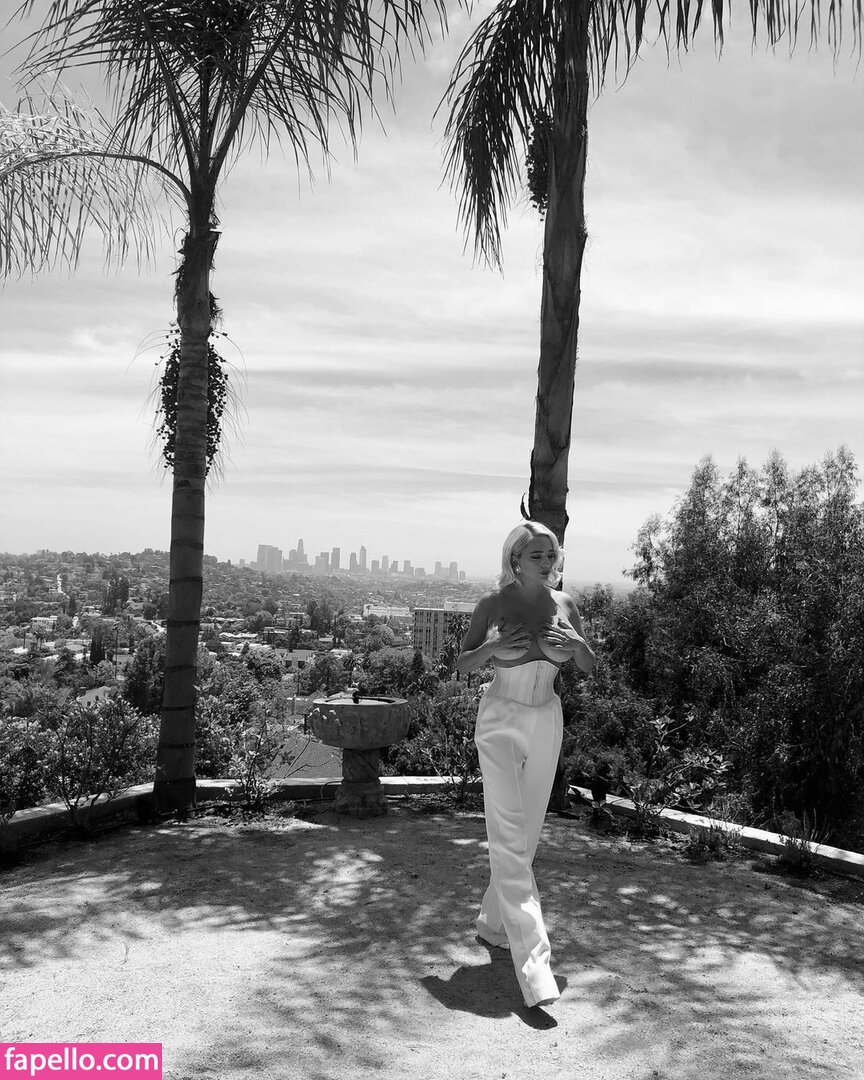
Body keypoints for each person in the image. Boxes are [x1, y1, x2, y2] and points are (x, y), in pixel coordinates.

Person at [456, 521, 595, 1009]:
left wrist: (577, 646)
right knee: (509, 832)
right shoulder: (492, 604)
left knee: (528, 830)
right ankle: (535, 967)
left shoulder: (566, 605)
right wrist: (493, 647)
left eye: (551, 554)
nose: (546, 561)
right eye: (536, 554)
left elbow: (589, 664)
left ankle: (494, 924)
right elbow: (462, 663)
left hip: (547, 719)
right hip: (500, 719)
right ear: (515, 559)